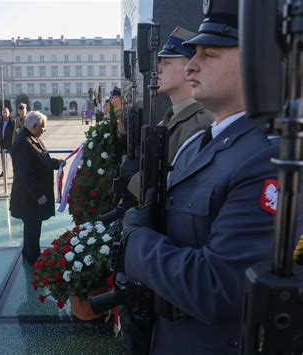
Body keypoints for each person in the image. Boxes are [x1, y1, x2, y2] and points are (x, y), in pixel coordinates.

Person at [121, 1, 301, 353]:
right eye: (193, 54)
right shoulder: (196, 144)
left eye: (210, 54)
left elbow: (219, 288)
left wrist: (136, 244)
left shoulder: (268, 159)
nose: (191, 65)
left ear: (256, 61)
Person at [127, 26, 214, 198]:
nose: (158, 69)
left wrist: (133, 178)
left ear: (190, 68)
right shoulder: (168, 119)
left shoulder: (200, 125)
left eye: (167, 62)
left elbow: (176, 191)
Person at [10, 111, 64, 263]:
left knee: (34, 228)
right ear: (34, 126)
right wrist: (39, 195)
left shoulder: (32, 138)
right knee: (32, 229)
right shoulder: (23, 143)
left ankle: (32, 254)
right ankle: (32, 258)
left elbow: (41, 160)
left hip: (32, 197)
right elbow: (26, 174)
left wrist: (56, 163)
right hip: (29, 198)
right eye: (42, 127)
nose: (44, 130)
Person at [0, 107, 14, 178]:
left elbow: (14, 133)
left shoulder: (12, 122)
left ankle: (15, 173)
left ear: (9, 113)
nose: (5, 114)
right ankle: (4, 172)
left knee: (14, 159)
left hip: (10, 143)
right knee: (3, 159)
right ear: (2, 113)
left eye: (6, 112)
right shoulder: (0, 122)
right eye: (3, 112)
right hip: (2, 143)